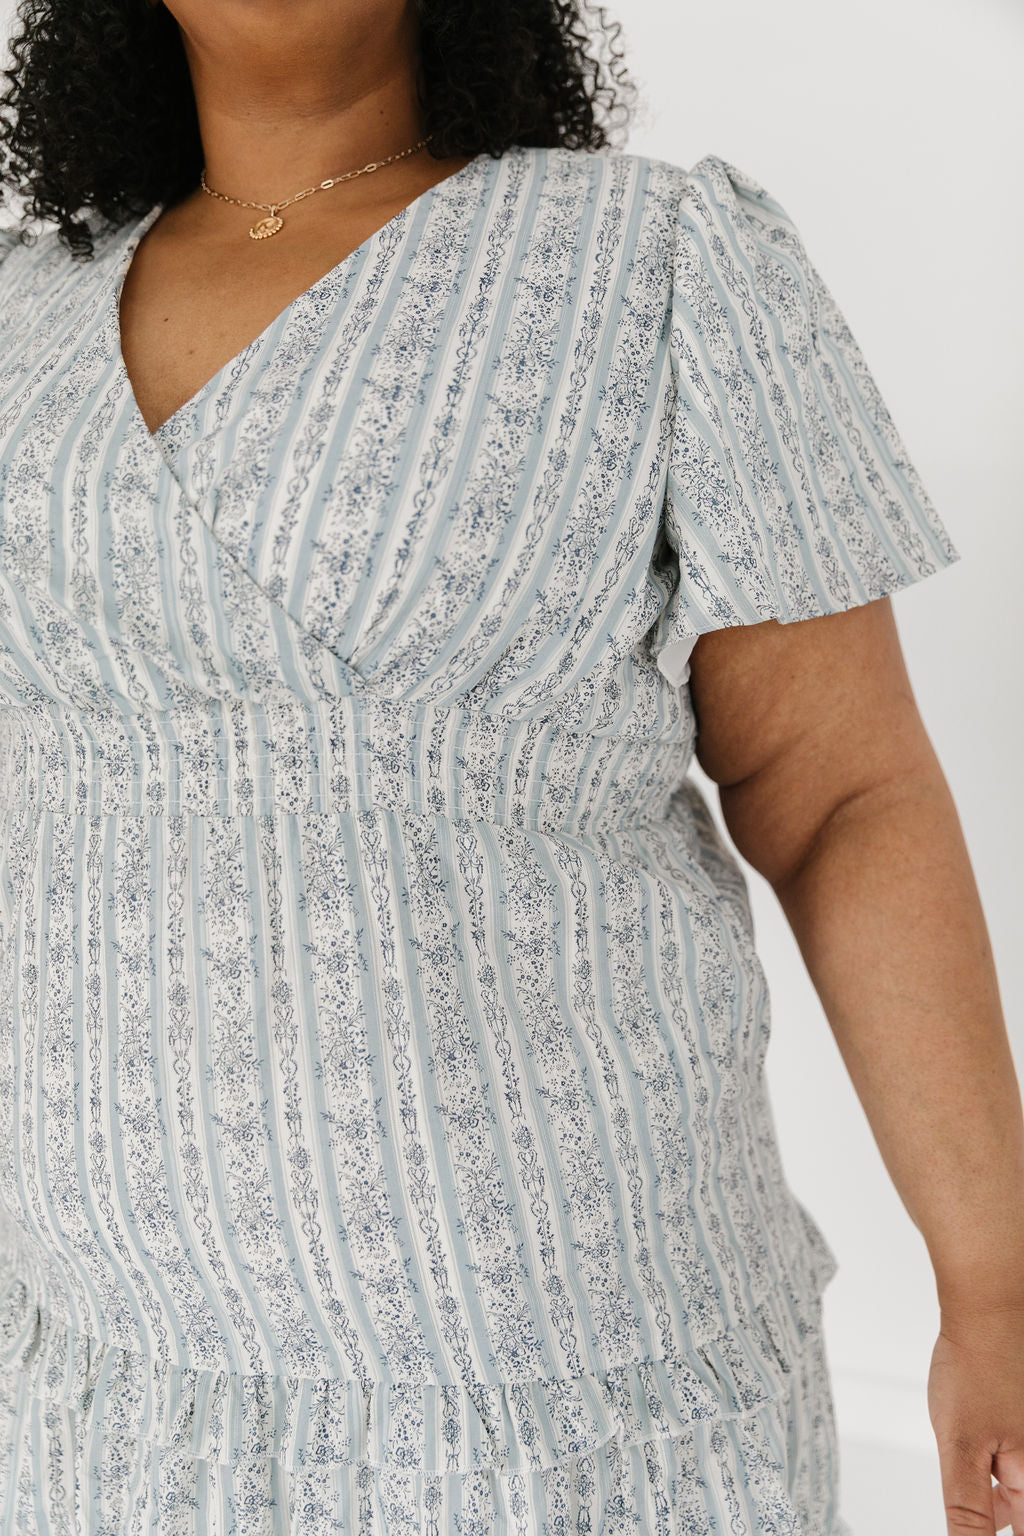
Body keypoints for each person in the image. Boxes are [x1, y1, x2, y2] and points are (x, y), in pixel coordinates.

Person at [0, 1, 1021, 1532]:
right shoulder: (20, 313)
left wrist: (994, 1281)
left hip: (577, 1425)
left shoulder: (657, 264)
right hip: (106, 1416)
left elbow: (840, 798)